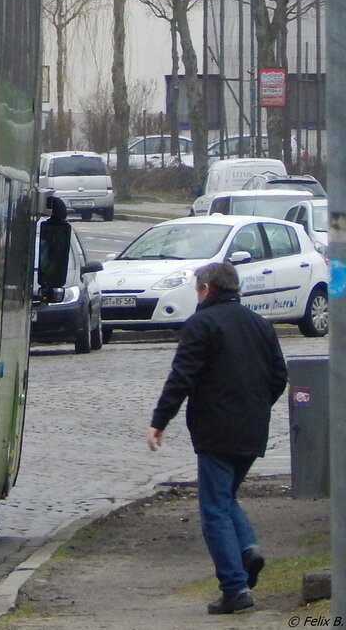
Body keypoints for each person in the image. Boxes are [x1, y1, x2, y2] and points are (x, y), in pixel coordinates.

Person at [146, 261, 288, 616]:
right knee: (224, 498)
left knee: (214, 509)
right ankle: (247, 549)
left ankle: (235, 587)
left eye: (197, 290)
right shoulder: (260, 325)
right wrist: (256, 407)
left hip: (215, 430)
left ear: (206, 290)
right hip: (253, 429)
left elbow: (182, 376)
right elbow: (279, 375)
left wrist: (160, 421)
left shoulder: (202, 324)